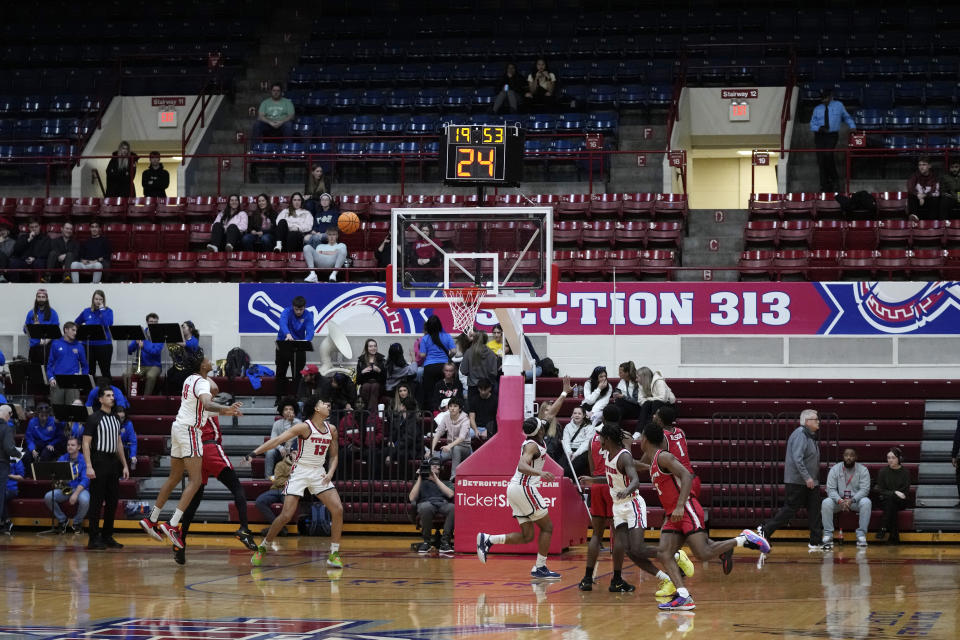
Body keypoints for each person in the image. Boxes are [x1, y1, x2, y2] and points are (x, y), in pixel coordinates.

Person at [639, 422, 770, 610]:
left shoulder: (664, 457)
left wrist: (680, 505)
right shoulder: (652, 459)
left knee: (703, 553)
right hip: (672, 514)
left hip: (686, 509)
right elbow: (635, 466)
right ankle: (683, 596)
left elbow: (686, 476)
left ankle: (743, 539)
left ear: (645, 439)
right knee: (664, 553)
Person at [138, 350, 242, 549]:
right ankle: (172, 524)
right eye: (207, 360)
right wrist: (222, 407)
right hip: (190, 431)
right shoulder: (203, 382)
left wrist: (226, 411)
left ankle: (152, 519)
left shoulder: (189, 379)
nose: (210, 361)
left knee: (174, 478)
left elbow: (201, 407)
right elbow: (206, 402)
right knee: (195, 482)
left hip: (177, 428)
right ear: (202, 366)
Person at [579, 422, 689, 594]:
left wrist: (627, 490)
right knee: (628, 551)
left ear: (607, 439)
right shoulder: (608, 456)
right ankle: (666, 578)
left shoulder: (624, 456)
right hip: (618, 507)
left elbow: (636, 481)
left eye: (601, 436)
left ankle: (676, 556)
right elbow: (611, 479)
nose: (598, 439)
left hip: (632, 504)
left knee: (638, 548)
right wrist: (593, 480)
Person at [246, 394, 345, 568]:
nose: (327, 404)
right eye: (323, 402)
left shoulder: (332, 429)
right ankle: (263, 547)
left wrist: (330, 473)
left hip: (318, 472)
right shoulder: (303, 427)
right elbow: (277, 440)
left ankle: (334, 554)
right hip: (300, 472)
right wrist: (254, 453)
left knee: (338, 509)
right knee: (286, 515)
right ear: (316, 408)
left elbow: (334, 455)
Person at [176, 379, 258, 563]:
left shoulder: (188, 408)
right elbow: (214, 387)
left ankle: (181, 541)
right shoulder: (206, 404)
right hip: (210, 448)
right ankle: (244, 528)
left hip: (196, 452)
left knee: (194, 501)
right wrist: (202, 376)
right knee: (237, 488)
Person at [476, 416, 561, 579]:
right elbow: (522, 466)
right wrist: (541, 473)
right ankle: (540, 567)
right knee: (547, 527)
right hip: (525, 488)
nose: (544, 427)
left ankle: (488, 539)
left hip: (515, 489)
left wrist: (564, 393)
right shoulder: (531, 446)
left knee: (527, 536)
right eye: (542, 426)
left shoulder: (535, 437)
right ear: (539, 431)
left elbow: (550, 414)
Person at [759, 409, 823, 550]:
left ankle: (816, 541)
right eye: (815, 419)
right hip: (798, 482)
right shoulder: (800, 435)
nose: (818, 422)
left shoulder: (809, 435)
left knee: (815, 510)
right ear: (807, 422)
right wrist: (807, 477)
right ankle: (765, 529)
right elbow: (797, 459)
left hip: (810, 481)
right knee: (790, 510)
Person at [81, 387, 130, 549]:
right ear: (100, 399)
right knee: (96, 501)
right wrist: (89, 465)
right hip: (99, 460)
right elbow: (86, 443)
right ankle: (93, 538)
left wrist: (124, 464)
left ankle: (107, 535)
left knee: (112, 501)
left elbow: (119, 443)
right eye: (108, 396)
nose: (112, 398)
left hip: (112, 462)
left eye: (113, 395)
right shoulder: (93, 418)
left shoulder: (116, 418)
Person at [821, 448, 872, 549]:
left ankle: (861, 535)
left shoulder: (863, 470)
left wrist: (851, 500)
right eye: (846, 455)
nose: (849, 457)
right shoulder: (835, 469)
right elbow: (830, 489)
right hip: (839, 501)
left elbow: (865, 490)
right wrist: (840, 500)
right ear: (843, 457)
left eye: (851, 455)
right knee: (826, 502)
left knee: (866, 502)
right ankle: (828, 535)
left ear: (856, 457)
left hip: (854, 501)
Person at [809, 89, 856, 192]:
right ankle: (824, 185)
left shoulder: (838, 105)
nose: (824, 101)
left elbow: (846, 117)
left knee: (828, 155)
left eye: (825, 98)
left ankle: (835, 180)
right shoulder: (817, 109)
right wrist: (819, 128)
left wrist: (852, 126)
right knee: (821, 160)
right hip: (819, 136)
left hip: (832, 135)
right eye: (822, 99)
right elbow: (812, 125)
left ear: (830, 97)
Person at [43, 436, 90, 535]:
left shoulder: (85, 459)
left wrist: (76, 494)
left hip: (81, 489)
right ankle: (62, 520)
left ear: (79, 447)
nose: (69, 447)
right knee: (48, 497)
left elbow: (86, 480)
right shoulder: (62, 458)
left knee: (85, 500)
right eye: (68, 445)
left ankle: (77, 523)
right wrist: (58, 478)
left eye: (73, 445)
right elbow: (56, 475)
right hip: (66, 488)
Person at [275, 296, 315, 405]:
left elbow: (310, 331)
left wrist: (306, 341)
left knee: (298, 374)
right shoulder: (286, 312)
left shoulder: (308, 315)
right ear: (293, 307)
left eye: (301, 309)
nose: (298, 312)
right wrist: (288, 334)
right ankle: (279, 398)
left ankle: (296, 398)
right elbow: (282, 323)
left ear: (304, 308)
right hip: (284, 343)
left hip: (299, 346)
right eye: (296, 309)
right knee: (280, 372)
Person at [410, 455, 455, 555]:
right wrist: (420, 477)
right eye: (432, 465)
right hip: (426, 503)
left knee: (453, 508)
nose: (435, 467)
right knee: (426, 507)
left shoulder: (446, 482)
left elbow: (450, 494)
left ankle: (445, 542)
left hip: (442, 503)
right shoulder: (421, 482)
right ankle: (427, 542)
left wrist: (435, 479)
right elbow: (412, 498)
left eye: (436, 465)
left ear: (440, 468)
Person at [656, 405, 700, 499]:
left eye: (656, 415)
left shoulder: (662, 437)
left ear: (659, 420)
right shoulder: (681, 431)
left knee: (682, 512)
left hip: (683, 482)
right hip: (694, 478)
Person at [419, 316, 456, 411]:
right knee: (445, 390)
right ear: (440, 325)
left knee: (430, 392)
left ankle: (432, 413)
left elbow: (422, 355)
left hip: (429, 368)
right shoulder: (447, 336)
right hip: (444, 367)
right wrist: (448, 357)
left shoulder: (425, 338)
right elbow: (454, 351)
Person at [47, 321, 88, 406]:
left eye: (76, 331)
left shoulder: (79, 346)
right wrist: (51, 378)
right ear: (66, 330)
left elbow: (85, 366)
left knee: (73, 410)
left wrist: (82, 380)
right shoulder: (56, 344)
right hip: (57, 381)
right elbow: (50, 364)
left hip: (73, 382)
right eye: (73, 330)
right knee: (57, 411)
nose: (75, 333)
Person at [875, 447, 910, 543]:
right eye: (888, 457)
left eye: (893, 457)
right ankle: (894, 536)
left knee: (892, 502)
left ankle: (883, 527)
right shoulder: (883, 471)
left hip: (901, 501)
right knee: (891, 503)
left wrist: (894, 494)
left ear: (899, 459)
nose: (890, 460)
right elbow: (880, 490)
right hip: (886, 500)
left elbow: (904, 493)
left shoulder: (905, 472)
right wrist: (894, 492)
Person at [75, 289, 114, 377]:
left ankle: (107, 390)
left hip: (104, 346)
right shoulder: (86, 311)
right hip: (88, 346)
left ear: (103, 300)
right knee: (90, 371)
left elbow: (107, 324)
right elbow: (76, 323)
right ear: (93, 299)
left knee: (105, 371)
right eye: (96, 299)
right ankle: (90, 390)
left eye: (100, 299)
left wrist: (102, 310)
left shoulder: (108, 311)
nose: (98, 301)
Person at [430, 397, 471, 480]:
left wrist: (449, 446)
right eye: (450, 406)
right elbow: (438, 434)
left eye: (455, 406)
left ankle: (453, 477)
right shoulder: (446, 417)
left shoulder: (465, 419)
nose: (452, 408)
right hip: (450, 449)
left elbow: (462, 437)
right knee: (432, 456)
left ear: (460, 408)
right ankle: (432, 478)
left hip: (464, 448)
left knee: (456, 448)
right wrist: (431, 449)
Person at [124, 313, 163, 397]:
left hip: (154, 366)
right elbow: (130, 350)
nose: (153, 324)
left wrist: (144, 345)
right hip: (140, 368)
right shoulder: (140, 333)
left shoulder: (160, 335)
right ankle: (130, 397)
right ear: (147, 322)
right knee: (126, 374)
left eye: (155, 322)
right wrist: (135, 343)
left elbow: (155, 351)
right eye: (151, 321)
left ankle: (145, 399)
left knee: (151, 376)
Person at [254, 447, 294, 528]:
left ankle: (276, 529)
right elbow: (277, 481)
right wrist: (289, 480)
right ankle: (279, 527)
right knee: (259, 501)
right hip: (275, 490)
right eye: (294, 453)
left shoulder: (302, 467)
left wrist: (286, 480)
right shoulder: (280, 464)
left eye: (298, 453)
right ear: (290, 454)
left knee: (288, 506)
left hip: (289, 492)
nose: (296, 455)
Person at [385, 391, 421, 478]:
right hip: (399, 445)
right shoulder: (399, 418)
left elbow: (408, 440)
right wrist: (390, 441)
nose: (400, 406)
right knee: (381, 452)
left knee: (401, 453)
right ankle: (384, 477)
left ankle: (403, 478)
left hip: (411, 448)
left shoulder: (412, 421)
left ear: (404, 407)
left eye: (401, 404)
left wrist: (393, 450)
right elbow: (394, 432)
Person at [0, 405, 22, 535]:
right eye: (11, 414)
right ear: (8, 414)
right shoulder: (6, 428)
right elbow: (9, 448)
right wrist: (18, 454)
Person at [165, 321, 201, 396]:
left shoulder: (194, 340)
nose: (182, 329)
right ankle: (171, 396)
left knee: (177, 377)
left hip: (190, 366)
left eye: (184, 327)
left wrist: (175, 337)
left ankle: (180, 395)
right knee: (169, 373)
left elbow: (185, 344)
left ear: (190, 329)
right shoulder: (182, 339)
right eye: (181, 328)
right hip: (181, 365)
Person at [266, 398, 299, 478]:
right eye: (286, 409)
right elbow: (273, 440)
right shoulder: (277, 424)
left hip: (293, 450)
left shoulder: (299, 423)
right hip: (279, 450)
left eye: (291, 409)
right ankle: (268, 478)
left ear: (294, 411)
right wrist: (280, 448)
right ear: (282, 412)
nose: (288, 411)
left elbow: (296, 440)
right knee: (270, 452)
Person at [24, 288, 59, 364]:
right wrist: (33, 327)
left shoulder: (53, 313)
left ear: (46, 299)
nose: (41, 299)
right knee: (35, 372)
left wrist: (46, 341)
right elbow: (25, 330)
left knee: (47, 371)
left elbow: (55, 331)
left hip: (48, 347)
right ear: (36, 299)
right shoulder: (31, 313)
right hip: (34, 347)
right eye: (39, 297)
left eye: (43, 297)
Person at [460, 331, 499, 398]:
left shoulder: (469, 352)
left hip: (473, 387)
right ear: (486, 340)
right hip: (487, 387)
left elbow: (463, 371)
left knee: (473, 408)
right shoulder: (491, 353)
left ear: (474, 339)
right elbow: (494, 373)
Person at [355, 338, 386, 412]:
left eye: (375, 346)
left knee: (374, 386)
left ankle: (371, 414)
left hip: (378, 385)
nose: (373, 348)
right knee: (366, 386)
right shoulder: (361, 361)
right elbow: (358, 381)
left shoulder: (382, 360)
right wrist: (362, 372)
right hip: (365, 385)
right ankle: (366, 412)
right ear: (367, 348)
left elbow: (385, 379)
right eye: (371, 346)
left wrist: (379, 371)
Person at [561, 406, 592, 478]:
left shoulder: (589, 427)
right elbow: (566, 441)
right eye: (575, 413)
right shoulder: (568, 426)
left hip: (582, 452)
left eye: (579, 413)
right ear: (572, 415)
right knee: (561, 466)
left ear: (584, 415)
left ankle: (568, 478)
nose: (577, 415)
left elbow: (587, 443)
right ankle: (567, 478)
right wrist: (569, 453)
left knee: (573, 467)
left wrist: (575, 454)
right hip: (569, 450)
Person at [906, 157, 941, 221]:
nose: (921, 167)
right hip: (918, 200)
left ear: (929, 166)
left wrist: (924, 196)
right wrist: (918, 195)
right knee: (910, 195)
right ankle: (914, 218)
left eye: (924, 165)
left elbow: (935, 190)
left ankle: (932, 222)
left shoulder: (934, 177)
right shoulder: (914, 176)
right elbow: (910, 188)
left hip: (929, 199)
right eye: (920, 165)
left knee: (935, 198)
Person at [2, 450, 24, 534]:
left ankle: (7, 521)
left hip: (11, 488)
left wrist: (7, 475)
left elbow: (21, 477)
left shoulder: (16, 458)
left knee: (1, 495)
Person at [115, 406, 137, 472]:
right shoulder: (110, 424)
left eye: (122, 418)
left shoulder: (128, 424)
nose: (120, 420)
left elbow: (133, 442)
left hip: (123, 449)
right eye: (118, 417)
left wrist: (133, 455)